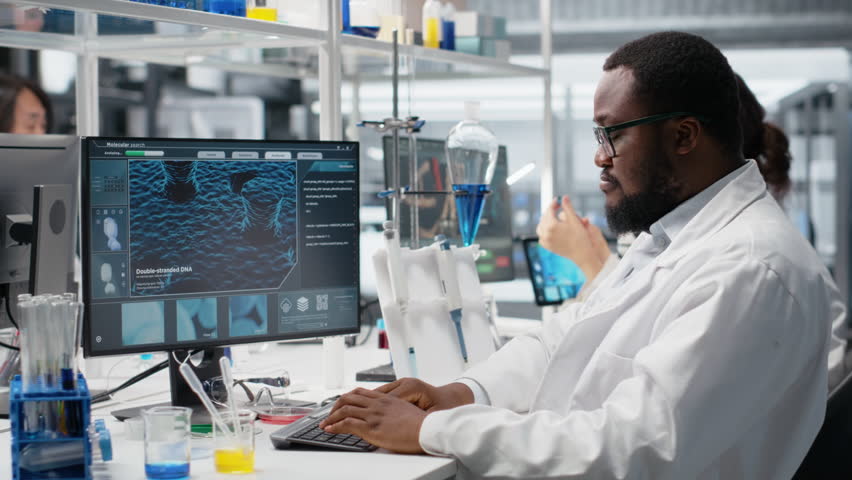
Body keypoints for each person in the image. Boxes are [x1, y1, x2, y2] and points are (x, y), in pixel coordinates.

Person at [321, 31, 845, 478]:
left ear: (683, 135)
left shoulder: (749, 266)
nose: (599, 156)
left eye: (611, 133)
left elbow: (631, 448)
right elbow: (567, 338)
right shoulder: (673, 235)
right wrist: (461, 394)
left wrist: (434, 429)